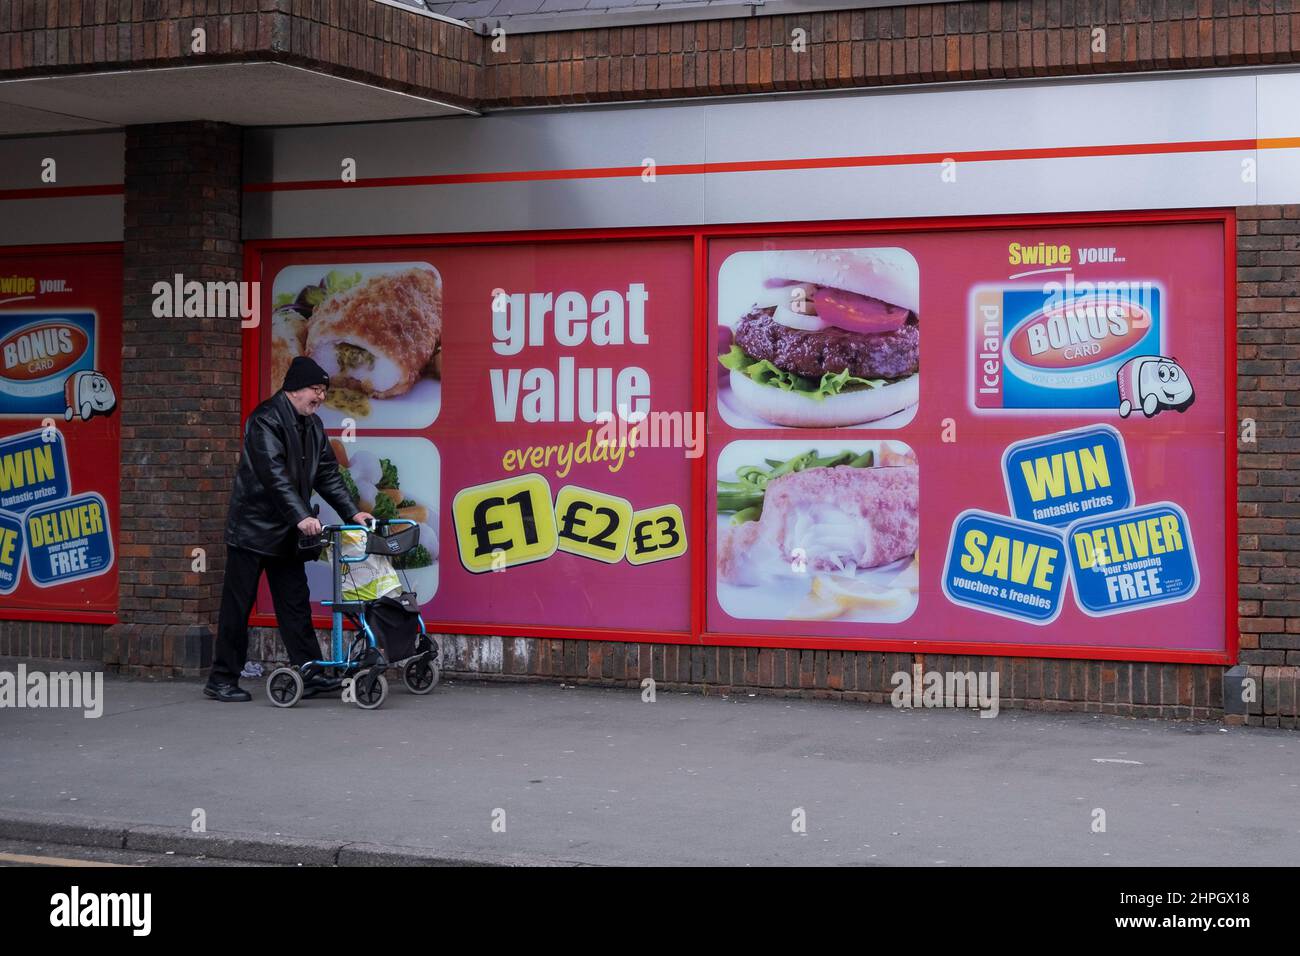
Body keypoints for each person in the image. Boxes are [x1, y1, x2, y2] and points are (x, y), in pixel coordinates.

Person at [204, 356, 373, 702]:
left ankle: (309, 672)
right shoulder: (266, 419)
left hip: (287, 532)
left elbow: (328, 474)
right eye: (316, 389)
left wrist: (353, 513)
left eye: (324, 390)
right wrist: (300, 515)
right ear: (295, 388)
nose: (321, 396)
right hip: (252, 531)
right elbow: (273, 475)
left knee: (295, 604)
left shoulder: (312, 425)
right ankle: (221, 679)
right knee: (238, 607)